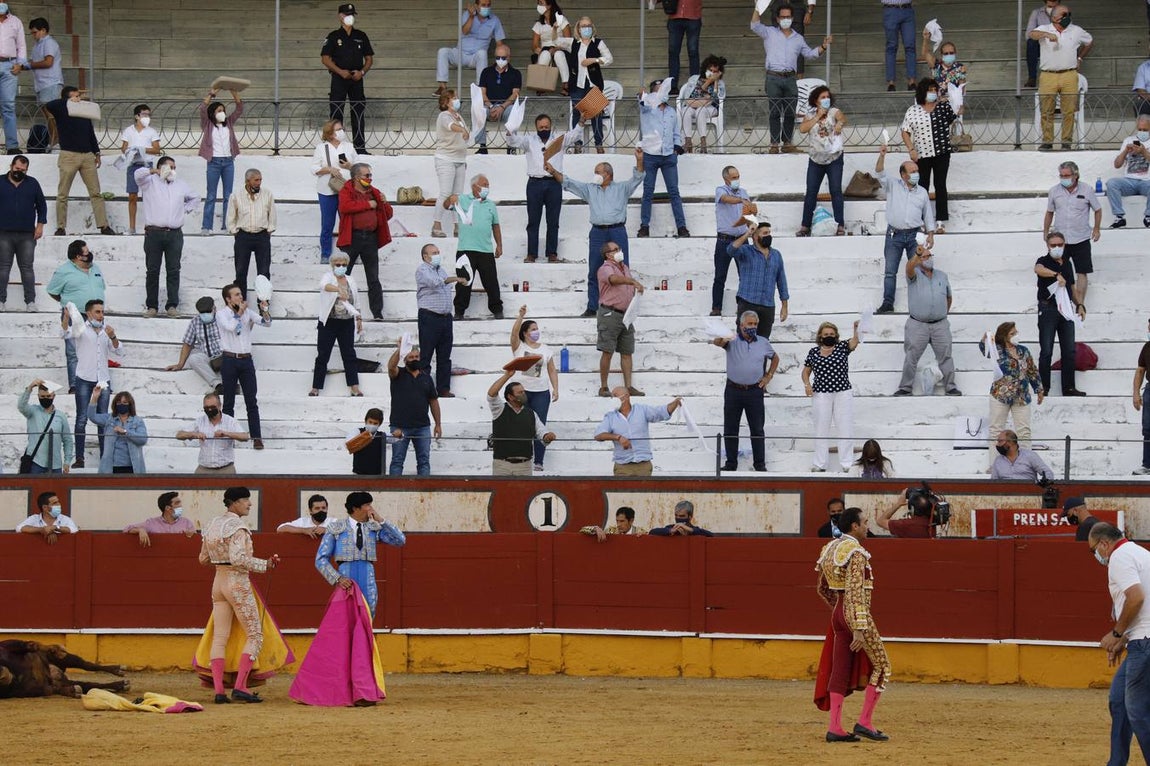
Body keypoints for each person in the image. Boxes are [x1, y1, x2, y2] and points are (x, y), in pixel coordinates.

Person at [196, 486, 285, 704]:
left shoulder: (212, 525)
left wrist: (221, 560)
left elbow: (203, 559)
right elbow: (238, 559)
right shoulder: (238, 527)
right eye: (246, 500)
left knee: (220, 637)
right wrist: (265, 564)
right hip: (237, 583)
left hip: (218, 583)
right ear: (235, 502)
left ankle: (219, 691)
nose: (250, 504)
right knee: (255, 635)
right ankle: (240, 687)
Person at [814, 507, 892, 743]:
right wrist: (857, 626)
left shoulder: (829, 548)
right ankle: (865, 723)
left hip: (838, 612)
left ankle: (835, 728)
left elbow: (822, 588)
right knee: (882, 667)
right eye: (865, 522)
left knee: (840, 670)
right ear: (854, 526)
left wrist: (839, 611)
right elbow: (857, 592)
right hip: (855, 615)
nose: (868, 526)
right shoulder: (856, 553)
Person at [546, 150, 644, 316]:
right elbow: (569, 183)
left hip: (617, 231)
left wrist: (639, 160)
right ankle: (593, 306)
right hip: (598, 233)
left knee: (622, 268)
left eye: (597, 172)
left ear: (607, 174)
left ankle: (625, 306)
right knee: (594, 269)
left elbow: (638, 178)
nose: (595, 175)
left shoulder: (622, 188)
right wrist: (553, 171)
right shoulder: (590, 189)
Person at [1086, 522, 1150, 766]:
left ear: (1104, 543)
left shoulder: (1119, 558)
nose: (1096, 555)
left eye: (1094, 550)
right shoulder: (1140, 553)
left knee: (1138, 711)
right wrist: (1124, 638)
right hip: (1140, 640)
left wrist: (1116, 632)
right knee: (1119, 701)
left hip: (1144, 644)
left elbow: (1137, 597)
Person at [750, 3, 831, 154]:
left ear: (792, 18)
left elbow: (810, 54)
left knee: (789, 112)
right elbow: (754, 25)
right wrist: (758, 8)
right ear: (777, 18)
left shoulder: (798, 38)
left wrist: (824, 46)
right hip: (773, 77)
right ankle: (774, 145)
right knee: (774, 112)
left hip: (790, 78)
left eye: (788, 17)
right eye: (783, 17)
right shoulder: (769, 32)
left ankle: (787, 143)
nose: (785, 19)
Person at [315, 491, 406, 619]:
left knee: (367, 617)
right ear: (355, 508)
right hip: (346, 580)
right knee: (345, 620)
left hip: (368, 580)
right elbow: (321, 559)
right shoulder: (336, 528)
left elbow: (400, 540)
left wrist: (381, 520)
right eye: (367, 505)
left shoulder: (374, 528)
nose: (371, 508)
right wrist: (338, 578)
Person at [507, 112, 581, 264]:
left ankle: (551, 253)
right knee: (533, 221)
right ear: (536, 128)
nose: (544, 129)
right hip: (534, 183)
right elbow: (514, 141)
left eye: (546, 126)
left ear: (551, 126)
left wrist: (581, 122)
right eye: (541, 127)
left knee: (553, 221)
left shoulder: (559, 139)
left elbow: (574, 136)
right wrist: (510, 130)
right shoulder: (529, 140)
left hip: (554, 182)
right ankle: (531, 254)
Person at [44, 86, 116, 236]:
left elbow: (90, 133)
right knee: (63, 193)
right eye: (75, 97)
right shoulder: (62, 110)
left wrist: (96, 152)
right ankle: (61, 226)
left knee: (95, 192)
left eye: (79, 96)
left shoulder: (83, 112)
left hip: (87, 155)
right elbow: (49, 105)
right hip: (69, 155)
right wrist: (67, 102)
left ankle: (103, 225)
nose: (79, 99)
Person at [714, 310, 778, 472]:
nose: (753, 327)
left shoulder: (763, 342)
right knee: (730, 427)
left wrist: (768, 376)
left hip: (754, 391)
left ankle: (759, 464)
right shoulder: (732, 340)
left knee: (757, 428)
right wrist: (723, 337)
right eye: (750, 324)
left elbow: (775, 357)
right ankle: (731, 463)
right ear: (741, 325)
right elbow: (717, 342)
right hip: (733, 389)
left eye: (755, 324)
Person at [892, 244, 961, 396]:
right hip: (917, 324)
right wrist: (916, 255)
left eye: (929, 256)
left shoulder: (942, 275)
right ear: (918, 259)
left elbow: (949, 297)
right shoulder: (913, 274)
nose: (927, 258)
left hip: (940, 324)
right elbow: (908, 268)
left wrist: (942, 313)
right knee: (911, 356)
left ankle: (950, 386)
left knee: (946, 356)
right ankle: (905, 387)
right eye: (924, 256)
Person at [874, 145, 935, 314]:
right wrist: (882, 156)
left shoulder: (922, 192)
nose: (916, 173)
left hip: (915, 235)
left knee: (918, 269)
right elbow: (879, 172)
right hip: (894, 234)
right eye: (912, 171)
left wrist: (931, 234)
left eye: (917, 170)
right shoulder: (893, 185)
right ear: (903, 175)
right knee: (890, 271)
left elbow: (928, 214)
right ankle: (888, 303)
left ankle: (920, 303)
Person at [136, 156, 198, 318]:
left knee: (173, 270)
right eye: (170, 167)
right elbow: (137, 174)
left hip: (175, 234)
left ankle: (172, 305)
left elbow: (195, 197)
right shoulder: (150, 182)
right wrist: (155, 171)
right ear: (161, 167)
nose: (173, 170)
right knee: (152, 271)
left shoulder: (180, 184)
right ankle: (152, 306)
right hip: (154, 233)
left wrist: (183, 209)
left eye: (175, 167)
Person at [65, 298, 122, 467]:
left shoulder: (106, 330)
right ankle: (80, 458)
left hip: (103, 380)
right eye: (98, 311)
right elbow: (64, 334)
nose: (101, 315)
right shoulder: (81, 328)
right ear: (88, 313)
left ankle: (105, 458)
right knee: (81, 419)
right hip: (84, 378)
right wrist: (65, 318)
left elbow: (119, 350)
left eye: (102, 311)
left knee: (103, 419)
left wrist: (113, 336)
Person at [979, 321, 1045, 468]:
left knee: (1024, 431)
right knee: (996, 430)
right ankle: (994, 466)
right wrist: (985, 339)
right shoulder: (998, 350)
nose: (1016, 336)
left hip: (1021, 396)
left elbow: (1032, 370)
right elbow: (985, 350)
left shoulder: (1024, 351)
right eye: (1012, 334)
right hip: (1000, 395)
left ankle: (1026, 465)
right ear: (1004, 336)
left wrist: (1039, 389)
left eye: (1016, 332)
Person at [1030, 3, 1092, 150]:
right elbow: (1032, 34)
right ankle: (1047, 141)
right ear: (1055, 17)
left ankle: (1066, 142)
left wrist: (1080, 58)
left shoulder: (1076, 30)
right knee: (1046, 110)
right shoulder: (1045, 28)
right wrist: (1046, 35)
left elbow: (1089, 41)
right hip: (1048, 75)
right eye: (1064, 15)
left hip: (1069, 74)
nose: (1068, 17)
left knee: (1069, 111)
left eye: (1069, 14)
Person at [217, 283, 272, 450]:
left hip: (246, 360)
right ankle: (228, 436)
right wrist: (239, 313)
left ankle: (256, 436)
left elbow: (266, 323)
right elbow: (230, 328)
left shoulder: (247, 312)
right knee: (229, 401)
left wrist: (265, 310)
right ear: (228, 299)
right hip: (229, 359)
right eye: (236, 295)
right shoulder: (221, 314)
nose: (240, 297)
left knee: (251, 400)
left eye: (240, 294)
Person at [802, 320, 861, 473]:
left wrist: (856, 329)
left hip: (842, 392)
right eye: (826, 334)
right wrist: (807, 384)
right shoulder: (813, 352)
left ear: (836, 336)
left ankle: (847, 463)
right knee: (821, 428)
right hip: (821, 393)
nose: (829, 336)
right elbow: (806, 371)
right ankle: (820, 464)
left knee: (845, 427)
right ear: (820, 336)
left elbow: (855, 342)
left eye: (832, 334)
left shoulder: (842, 347)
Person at [45, 240, 105, 390]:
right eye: (86, 252)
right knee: (73, 352)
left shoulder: (95, 267)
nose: (89, 254)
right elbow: (52, 291)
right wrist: (67, 302)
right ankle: (75, 385)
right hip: (74, 315)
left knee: (97, 350)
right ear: (78, 256)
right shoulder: (63, 271)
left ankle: (97, 383)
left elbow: (101, 286)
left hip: (95, 316)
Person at [901, 78, 957, 233]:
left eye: (935, 89)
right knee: (922, 187)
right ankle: (922, 221)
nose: (933, 93)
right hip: (922, 155)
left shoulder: (943, 106)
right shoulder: (913, 110)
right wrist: (911, 149)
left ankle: (940, 221)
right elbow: (905, 131)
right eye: (929, 90)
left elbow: (954, 119)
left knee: (940, 185)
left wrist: (957, 107)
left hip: (942, 152)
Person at [336, 163, 391, 321]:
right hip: (352, 237)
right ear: (356, 177)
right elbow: (345, 207)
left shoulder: (374, 192)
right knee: (343, 274)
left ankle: (377, 312)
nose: (369, 178)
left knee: (373, 277)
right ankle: (340, 306)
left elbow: (388, 214)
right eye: (366, 176)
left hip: (370, 238)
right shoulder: (346, 190)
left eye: (370, 175)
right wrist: (368, 205)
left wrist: (384, 202)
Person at [1034, 231, 1086, 397]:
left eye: (1060, 245)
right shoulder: (1044, 261)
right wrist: (1056, 275)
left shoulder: (1067, 263)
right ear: (1048, 246)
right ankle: (1044, 388)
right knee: (1046, 350)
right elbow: (1038, 269)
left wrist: (1080, 304)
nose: (1057, 248)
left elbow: (1072, 287)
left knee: (1069, 350)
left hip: (1066, 309)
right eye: (1053, 245)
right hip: (1048, 308)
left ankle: (1069, 387)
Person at [637, 79, 689, 239]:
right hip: (651, 155)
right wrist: (642, 95)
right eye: (659, 90)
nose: (663, 93)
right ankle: (644, 226)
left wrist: (676, 148)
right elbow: (642, 103)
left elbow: (675, 131)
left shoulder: (672, 111)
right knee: (648, 191)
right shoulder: (648, 108)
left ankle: (682, 226)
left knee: (674, 192)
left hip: (668, 156)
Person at [1043, 161, 1100, 306]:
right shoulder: (1054, 191)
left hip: (1081, 237)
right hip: (1060, 240)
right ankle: (1063, 302)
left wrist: (1096, 228)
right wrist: (1045, 231)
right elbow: (1049, 212)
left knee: (1082, 271)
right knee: (1059, 270)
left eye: (1067, 175)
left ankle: (1080, 303)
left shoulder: (1087, 189)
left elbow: (1097, 209)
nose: (1064, 178)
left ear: (1075, 175)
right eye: (1061, 175)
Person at [447, 174, 503, 320]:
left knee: (491, 281)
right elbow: (447, 205)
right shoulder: (463, 199)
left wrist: (499, 245)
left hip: (485, 249)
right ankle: (459, 311)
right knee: (463, 282)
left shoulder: (490, 205)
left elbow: (495, 225)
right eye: (484, 184)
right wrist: (451, 198)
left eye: (488, 185)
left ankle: (497, 309)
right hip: (466, 249)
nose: (487, 188)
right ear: (474, 186)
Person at [510, 306, 560, 471]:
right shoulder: (519, 347)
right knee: (521, 425)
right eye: (533, 329)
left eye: (537, 329)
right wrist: (520, 317)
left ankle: (539, 461)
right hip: (522, 393)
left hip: (541, 393)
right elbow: (513, 334)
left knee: (541, 426)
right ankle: (522, 458)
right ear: (525, 333)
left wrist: (556, 388)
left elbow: (552, 369)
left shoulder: (545, 349)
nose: (536, 331)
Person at [593, 387, 683, 476]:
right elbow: (598, 435)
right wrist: (618, 437)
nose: (613, 399)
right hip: (622, 466)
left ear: (626, 396)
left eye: (615, 396)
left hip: (643, 466)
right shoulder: (610, 416)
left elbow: (661, 412)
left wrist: (676, 402)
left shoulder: (642, 410)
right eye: (612, 397)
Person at [321, 3, 373, 155]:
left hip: (357, 79)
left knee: (358, 112)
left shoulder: (361, 36)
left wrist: (362, 72)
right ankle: (335, 148)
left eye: (351, 14)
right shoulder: (333, 36)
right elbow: (325, 59)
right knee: (336, 112)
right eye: (345, 14)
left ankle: (360, 147)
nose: (349, 17)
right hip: (339, 78)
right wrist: (340, 71)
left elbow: (369, 59)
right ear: (340, 16)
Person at [310, 252, 363, 397]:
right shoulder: (328, 277)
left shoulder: (351, 280)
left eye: (344, 265)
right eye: (338, 265)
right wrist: (338, 289)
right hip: (329, 322)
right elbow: (323, 285)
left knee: (349, 354)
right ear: (333, 265)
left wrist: (359, 318)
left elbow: (356, 301)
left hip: (346, 322)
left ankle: (354, 386)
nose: (341, 267)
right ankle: (316, 387)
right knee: (323, 354)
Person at [486, 367, 556, 476]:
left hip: (524, 465)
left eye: (523, 392)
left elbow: (542, 432)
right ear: (510, 396)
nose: (524, 394)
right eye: (520, 393)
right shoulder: (499, 409)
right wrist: (507, 376)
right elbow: (491, 395)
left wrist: (547, 436)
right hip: (502, 464)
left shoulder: (531, 414)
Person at [596, 242, 644, 397]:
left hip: (626, 314)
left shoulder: (625, 268)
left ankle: (628, 386)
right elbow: (613, 279)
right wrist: (631, 281)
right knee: (607, 351)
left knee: (627, 351)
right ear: (608, 254)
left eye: (619, 249)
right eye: (615, 250)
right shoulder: (605, 269)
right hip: (610, 313)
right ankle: (604, 386)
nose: (619, 251)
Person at [797, 85, 847, 237]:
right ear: (816, 100)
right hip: (816, 159)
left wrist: (839, 124)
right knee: (811, 192)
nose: (826, 100)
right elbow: (803, 129)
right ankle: (805, 225)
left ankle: (840, 224)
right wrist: (817, 116)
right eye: (822, 97)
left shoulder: (833, 111)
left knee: (836, 191)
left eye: (827, 97)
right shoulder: (810, 114)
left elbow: (842, 118)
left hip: (834, 158)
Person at [387, 340, 442, 476]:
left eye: (416, 357)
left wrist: (438, 424)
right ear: (405, 359)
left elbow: (433, 401)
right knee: (397, 461)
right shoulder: (398, 374)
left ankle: (424, 491)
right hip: (399, 426)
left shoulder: (427, 378)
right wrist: (400, 350)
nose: (414, 359)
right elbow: (391, 366)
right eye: (411, 357)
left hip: (422, 426)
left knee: (424, 461)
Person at [727, 221, 789, 339]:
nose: (768, 236)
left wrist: (784, 305)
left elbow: (781, 280)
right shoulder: (746, 251)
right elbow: (730, 250)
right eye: (765, 233)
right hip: (747, 302)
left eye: (769, 233)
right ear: (755, 236)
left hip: (768, 305)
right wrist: (747, 233)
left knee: (763, 343)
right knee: (743, 341)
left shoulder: (776, 255)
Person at [416, 243, 463, 398]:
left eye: (438, 251)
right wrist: (455, 278)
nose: (437, 254)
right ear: (425, 256)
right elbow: (434, 283)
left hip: (445, 318)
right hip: (430, 317)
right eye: (434, 252)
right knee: (426, 354)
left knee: (444, 355)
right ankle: (423, 388)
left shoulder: (441, 270)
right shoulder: (422, 270)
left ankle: (443, 388)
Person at [0, 155, 46, 312]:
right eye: (17, 169)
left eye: (23, 170)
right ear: (11, 166)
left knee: (27, 268)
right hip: (3, 233)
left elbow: (42, 205)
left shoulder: (32, 183)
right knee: (3, 268)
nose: (20, 172)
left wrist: (40, 225)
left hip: (27, 234)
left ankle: (30, 302)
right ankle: (0, 300)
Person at [310, 120, 357, 264]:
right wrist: (329, 169)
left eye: (342, 129)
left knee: (347, 222)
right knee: (327, 223)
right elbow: (314, 168)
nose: (341, 132)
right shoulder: (321, 148)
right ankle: (325, 253)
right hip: (326, 189)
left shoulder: (348, 147)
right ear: (330, 133)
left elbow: (359, 166)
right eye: (338, 129)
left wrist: (350, 166)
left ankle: (350, 253)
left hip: (346, 189)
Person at [564, 16, 612, 153]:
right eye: (583, 26)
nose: (586, 28)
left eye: (588, 25)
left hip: (593, 84)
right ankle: (577, 144)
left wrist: (594, 60)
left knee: (596, 112)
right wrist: (556, 28)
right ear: (578, 28)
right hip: (577, 84)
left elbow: (609, 59)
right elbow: (556, 41)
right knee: (577, 112)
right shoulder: (573, 43)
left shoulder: (598, 42)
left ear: (592, 27)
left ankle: (598, 144)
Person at [198, 88, 243, 234]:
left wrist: (233, 92)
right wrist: (211, 94)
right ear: (213, 113)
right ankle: (206, 226)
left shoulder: (228, 123)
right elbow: (202, 108)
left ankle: (227, 225)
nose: (222, 113)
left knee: (228, 195)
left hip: (229, 162)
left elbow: (239, 109)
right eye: (219, 110)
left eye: (223, 110)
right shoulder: (208, 124)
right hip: (214, 162)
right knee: (211, 195)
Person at [227, 168, 276, 301]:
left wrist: (269, 230)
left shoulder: (267, 194)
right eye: (256, 180)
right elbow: (231, 216)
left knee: (264, 272)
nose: (259, 183)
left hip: (262, 235)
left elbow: (272, 214)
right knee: (241, 271)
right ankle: (240, 303)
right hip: (243, 236)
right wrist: (234, 231)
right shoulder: (236, 195)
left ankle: (264, 304)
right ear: (248, 181)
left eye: (260, 180)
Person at [435, 0, 506, 92]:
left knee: (482, 53)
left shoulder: (495, 20)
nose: (486, 7)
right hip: (460, 54)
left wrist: (501, 60)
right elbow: (464, 31)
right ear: (476, 6)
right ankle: (442, 87)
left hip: (476, 57)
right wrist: (471, 16)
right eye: (483, 5)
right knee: (443, 51)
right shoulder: (467, 14)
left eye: (488, 5)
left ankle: (481, 88)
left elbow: (499, 43)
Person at [711, 165, 751, 316]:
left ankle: (743, 307)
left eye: (738, 176)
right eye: (733, 177)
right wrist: (742, 201)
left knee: (745, 275)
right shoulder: (720, 190)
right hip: (724, 240)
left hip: (742, 238)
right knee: (720, 276)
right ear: (725, 179)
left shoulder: (744, 192)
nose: (737, 180)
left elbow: (748, 215)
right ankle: (716, 308)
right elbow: (725, 199)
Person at [176, 392, 249, 474]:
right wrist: (194, 434)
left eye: (212, 407)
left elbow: (245, 437)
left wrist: (226, 434)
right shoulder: (200, 421)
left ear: (220, 406)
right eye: (206, 407)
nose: (210, 410)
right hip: (204, 469)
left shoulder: (230, 421)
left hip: (226, 469)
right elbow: (179, 435)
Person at [430, 90, 469, 240]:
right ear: (446, 102)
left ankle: (457, 225)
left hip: (460, 159)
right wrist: (463, 130)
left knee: (457, 195)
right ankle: (436, 224)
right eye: (454, 98)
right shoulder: (444, 116)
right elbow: (451, 126)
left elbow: (463, 135)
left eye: (457, 97)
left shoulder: (459, 116)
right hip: (445, 158)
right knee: (445, 193)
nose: (457, 100)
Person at [166, 296, 224, 393]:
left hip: (224, 355)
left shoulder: (222, 318)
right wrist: (180, 364)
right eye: (202, 313)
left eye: (207, 312)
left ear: (214, 308)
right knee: (194, 358)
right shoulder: (195, 321)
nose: (205, 315)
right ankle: (218, 385)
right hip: (207, 356)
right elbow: (187, 343)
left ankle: (231, 385)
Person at [119, 104, 162, 235]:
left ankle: (149, 225)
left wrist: (142, 149)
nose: (147, 117)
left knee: (148, 196)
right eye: (144, 114)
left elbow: (157, 149)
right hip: (133, 164)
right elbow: (123, 147)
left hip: (146, 164)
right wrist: (131, 151)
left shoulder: (151, 131)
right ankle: (132, 227)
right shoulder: (129, 130)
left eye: (148, 115)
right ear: (137, 116)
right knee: (132, 196)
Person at [17, 379, 73, 474]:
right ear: (38, 396)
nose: (45, 398)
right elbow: (21, 406)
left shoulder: (61, 416)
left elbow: (67, 440)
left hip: (56, 464)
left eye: (48, 396)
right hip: (36, 462)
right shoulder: (32, 411)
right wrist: (30, 387)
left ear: (53, 396)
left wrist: (67, 461)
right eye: (42, 396)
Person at [1106, 115, 1150, 230]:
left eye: (1145, 130)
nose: (1142, 132)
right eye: (1140, 129)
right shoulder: (1128, 140)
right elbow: (1117, 165)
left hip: (1147, 181)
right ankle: (1119, 217)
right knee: (1111, 183)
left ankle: (1148, 217)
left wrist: (1144, 151)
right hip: (1129, 181)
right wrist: (1126, 151)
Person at [476, 44, 521, 154]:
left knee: (513, 112)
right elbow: (482, 92)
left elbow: (515, 94)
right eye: (497, 57)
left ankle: (511, 146)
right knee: (479, 110)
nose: (500, 60)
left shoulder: (516, 73)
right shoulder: (486, 72)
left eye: (503, 58)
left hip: (506, 106)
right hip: (489, 105)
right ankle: (482, 146)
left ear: (509, 57)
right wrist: (490, 106)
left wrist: (502, 107)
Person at [89, 389, 147, 474]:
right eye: (119, 403)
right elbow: (92, 416)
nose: (121, 405)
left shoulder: (137, 421)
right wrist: (94, 397)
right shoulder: (109, 419)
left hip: (132, 467)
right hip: (111, 467)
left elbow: (143, 439)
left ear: (130, 405)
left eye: (124, 403)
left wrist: (125, 432)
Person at [27, 18, 63, 148]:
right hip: (41, 84)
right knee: (47, 116)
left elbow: (48, 62)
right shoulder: (37, 45)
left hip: (50, 83)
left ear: (43, 30)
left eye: (35, 32)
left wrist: (30, 64)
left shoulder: (49, 43)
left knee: (52, 115)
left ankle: (57, 142)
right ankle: (52, 141)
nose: (33, 35)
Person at [679, 55, 725, 154]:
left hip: (709, 108)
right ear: (705, 68)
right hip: (692, 105)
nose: (712, 73)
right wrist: (709, 82)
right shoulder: (694, 79)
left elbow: (716, 98)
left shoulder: (720, 83)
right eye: (710, 70)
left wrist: (715, 81)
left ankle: (703, 143)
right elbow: (690, 96)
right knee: (685, 111)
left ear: (719, 72)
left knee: (701, 110)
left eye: (715, 71)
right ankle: (688, 142)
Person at [124, 492, 196, 547]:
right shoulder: (152, 523)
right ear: (168, 508)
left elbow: (196, 541)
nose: (180, 505)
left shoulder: (186, 523)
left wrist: (191, 535)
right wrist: (140, 530)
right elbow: (127, 529)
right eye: (177, 503)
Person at [0, 4, 25, 154]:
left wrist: (20, 64)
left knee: (8, 106)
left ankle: (12, 146)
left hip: (10, 65)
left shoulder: (15, 21)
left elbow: (21, 45)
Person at [664, 0, 702, 94]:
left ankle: (694, 84)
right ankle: (673, 85)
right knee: (673, 51)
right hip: (675, 17)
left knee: (693, 51)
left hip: (693, 17)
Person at [532, 1, 570, 92]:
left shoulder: (562, 20)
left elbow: (568, 41)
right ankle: (540, 85)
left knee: (559, 54)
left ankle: (566, 84)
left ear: (549, 5)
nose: (539, 5)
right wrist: (539, 51)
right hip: (545, 49)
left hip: (561, 48)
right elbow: (535, 45)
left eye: (541, 3)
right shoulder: (539, 24)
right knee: (545, 54)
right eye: (538, 3)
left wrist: (556, 49)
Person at [990, 429, 1055, 481]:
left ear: (1010, 442)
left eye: (1000, 441)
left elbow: (1048, 473)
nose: (997, 445)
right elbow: (993, 482)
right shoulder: (998, 460)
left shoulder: (1030, 455)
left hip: (1029, 493)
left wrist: (1045, 483)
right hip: (1005, 494)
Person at [880, 0, 915, 92]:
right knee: (891, 46)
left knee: (910, 45)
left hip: (907, 9)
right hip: (891, 8)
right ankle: (891, 83)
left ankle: (912, 81)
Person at [1025, 0, 1059, 88]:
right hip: (1042, 44)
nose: (1052, 2)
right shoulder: (1037, 13)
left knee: (1071, 42)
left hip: (1058, 42)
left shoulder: (1063, 12)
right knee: (1031, 43)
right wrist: (1045, 35)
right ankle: (1032, 78)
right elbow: (1029, 33)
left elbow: (1069, 30)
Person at [347, 408, 385, 476]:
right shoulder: (357, 431)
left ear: (379, 424)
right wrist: (367, 436)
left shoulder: (382, 435)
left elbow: (395, 439)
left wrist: (398, 434)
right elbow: (349, 443)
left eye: (375, 423)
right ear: (365, 421)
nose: (372, 425)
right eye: (370, 422)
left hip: (376, 475)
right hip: (359, 473)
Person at [1135, 317, 1150, 475]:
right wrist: (1135, 393)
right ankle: (1147, 464)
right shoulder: (1147, 347)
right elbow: (1140, 370)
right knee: (1148, 428)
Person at [580, 506, 648, 541]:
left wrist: (643, 539)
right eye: (617, 521)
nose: (618, 525)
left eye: (622, 521)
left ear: (631, 521)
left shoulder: (641, 533)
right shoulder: (611, 531)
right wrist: (595, 529)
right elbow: (582, 530)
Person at [650, 500, 714, 536]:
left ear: (690, 517)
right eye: (676, 515)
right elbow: (652, 532)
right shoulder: (671, 528)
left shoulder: (695, 530)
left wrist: (689, 530)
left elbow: (711, 535)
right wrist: (670, 530)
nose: (678, 518)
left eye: (682, 516)